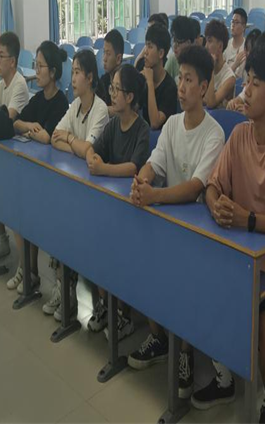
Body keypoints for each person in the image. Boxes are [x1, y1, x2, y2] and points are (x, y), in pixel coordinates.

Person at [193, 43, 265, 424]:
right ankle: (224, 379)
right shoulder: (238, 135)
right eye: (247, 81)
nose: (246, 90)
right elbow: (213, 185)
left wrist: (247, 219)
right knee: (203, 297)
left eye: (255, 84)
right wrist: (215, 205)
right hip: (239, 259)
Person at [128, 45, 225, 398]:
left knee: (185, 283)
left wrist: (153, 195)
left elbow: (196, 187)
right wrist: (142, 180)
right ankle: (159, 337)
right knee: (141, 265)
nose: (181, 87)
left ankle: (185, 353)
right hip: (167, 223)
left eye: (188, 80)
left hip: (198, 233)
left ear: (204, 87)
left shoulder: (214, 134)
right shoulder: (171, 124)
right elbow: (154, 164)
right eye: (179, 79)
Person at [85, 63, 150, 337]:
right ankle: (105, 305)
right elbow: (93, 149)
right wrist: (92, 158)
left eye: (116, 89)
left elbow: (134, 167)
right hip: (110, 205)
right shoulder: (113, 125)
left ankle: (123, 314)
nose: (111, 94)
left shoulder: (142, 129)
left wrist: (103, 169)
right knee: (96, 247)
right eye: (111, 88)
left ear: (130, 96)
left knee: (120, 256)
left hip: (132, 210)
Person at [45, 49, 110, 320]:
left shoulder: (100, 109)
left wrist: (71, 141)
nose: (72, 78)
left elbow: (89, 150)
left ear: (90, 77)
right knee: (59, 225)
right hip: (75, 184)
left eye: (77, 73)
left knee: (82, 236)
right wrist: (75, 145)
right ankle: (65, 290)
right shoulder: (75, 106)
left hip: (96, 191)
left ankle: (99, 302)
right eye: (71, 72)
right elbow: (54, 137)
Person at [6, 41, 70, 290]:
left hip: (51, 177)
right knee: (18, 211)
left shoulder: (61, 103)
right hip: (33, 170)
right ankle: (27, 269)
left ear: (52, 72)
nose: (36, 70)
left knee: (33, 216)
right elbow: (17, 123)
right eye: (35, 65)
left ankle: (38, 275)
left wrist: (34, 132)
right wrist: (31, 127)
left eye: (40, 66)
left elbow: (48, 138)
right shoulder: (39, 98)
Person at [0, 31, 31, 264]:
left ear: (13, 61)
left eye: (1, 56)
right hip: (3, 154)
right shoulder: (2, 85)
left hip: (18, 159)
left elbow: (5, 121)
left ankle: (9, 246)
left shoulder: (19, 85)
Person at [226, 29, 265, 113]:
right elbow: (241, 97)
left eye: (255, 83)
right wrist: (233, 103)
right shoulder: (251, 69)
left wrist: (249, 110)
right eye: (246, 49)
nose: (248, 53)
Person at [138, 24, 178, 130]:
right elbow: (132, 107)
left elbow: (155, 123)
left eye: (150, 47)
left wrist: (150, 83)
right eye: (146, 46)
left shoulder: (170, 87)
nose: (145, 52)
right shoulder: (142, 71)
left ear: (161, 53)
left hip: (163, 137)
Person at [203, 19, 236, 108]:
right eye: (206, 41)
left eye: (210, 41)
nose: (206, 46)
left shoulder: (230, 77)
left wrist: (211, 68)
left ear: (220, 46)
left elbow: (210, 103)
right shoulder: (203, 68)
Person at [96, 29, 124, 112]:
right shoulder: (103, 81)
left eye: (108, 54)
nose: (104, 58)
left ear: (118, 58)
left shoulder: (126, 81)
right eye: (104, 52)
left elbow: (127, 110)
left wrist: (105, 111)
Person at [166, 16, 200, 83]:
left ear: (188, 43)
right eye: (174, 41)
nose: (175, 46)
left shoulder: (199, 62)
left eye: (178, 42)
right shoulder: (173, 59)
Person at [224, 8, 247, 78]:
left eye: (236, 22)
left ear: (244, 26)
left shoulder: (246, 48)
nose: (233, 25)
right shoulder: (227, 44)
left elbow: (238, 77)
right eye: (232, 21)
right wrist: (235, 64)